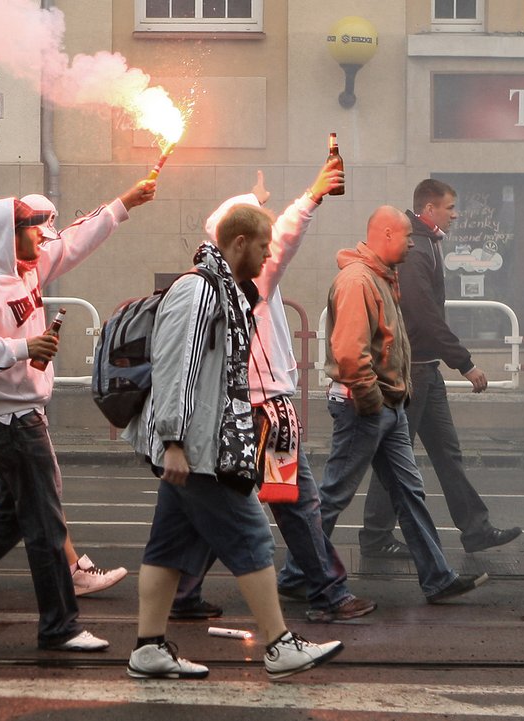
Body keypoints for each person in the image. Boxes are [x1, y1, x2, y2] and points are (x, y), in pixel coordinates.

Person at [0, 179, 155, 652]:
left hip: (22, 414)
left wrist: (123, 203)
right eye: (34, 230)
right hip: (10, 420)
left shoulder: (27, 267)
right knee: (44, 522)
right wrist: (24, 348)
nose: (44, 237)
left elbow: (76, 239)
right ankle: (59, 625)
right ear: (7, 233)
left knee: (15, 518)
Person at [122, 204, 343, 681]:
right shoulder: (198, 290)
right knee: (252, 536)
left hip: (207, 444)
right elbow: (174, 367)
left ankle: (148, 648)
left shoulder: (226, 291)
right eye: (264, 246)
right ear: (239, 243)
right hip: (201, 450)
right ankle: (279, 644)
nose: (269, 256)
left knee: (168, 547)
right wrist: (173, 441)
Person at [170, 162, 376, 625]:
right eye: (258, 236)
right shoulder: (251, 279)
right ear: (241, 242)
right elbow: (284, 239)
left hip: (240, 409)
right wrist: (313, 194)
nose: (269, 248)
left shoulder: (213, 275)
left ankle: (183, 593)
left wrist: (254, 197)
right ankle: (327, 592)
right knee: (299, 504)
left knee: (221, 505)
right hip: (266, 410)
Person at [279, 206, 489, 605]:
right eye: (408, 236)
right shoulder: (358, 281)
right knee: (334, 495)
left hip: (385, 405)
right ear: (387, 234)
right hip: (365, 407)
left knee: (409, 493)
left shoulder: (380, 278)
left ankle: (438, 578)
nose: (413, 243)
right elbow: (349, 354)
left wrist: (395, 395)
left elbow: (388, 346)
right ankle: (294, 572)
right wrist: (375, 402)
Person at [358, 179, 521, 558]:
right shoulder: (416, 248)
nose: (456, 214)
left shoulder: (427, 243)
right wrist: (464, 362)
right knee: (396, 454)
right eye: (450, 207)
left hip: (426, 367)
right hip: (413, 369)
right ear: (429, 210)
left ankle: (475, 529)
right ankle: (375, 536)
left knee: (447, 453)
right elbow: (423, 312)